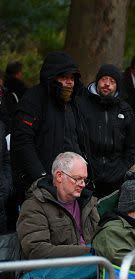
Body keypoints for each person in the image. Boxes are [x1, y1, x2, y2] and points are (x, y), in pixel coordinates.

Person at [11, 52, 88, 202]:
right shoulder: (33, 100)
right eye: (64, 77)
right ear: (51, 77)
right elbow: (23, 141)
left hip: (72, 184)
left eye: (72, 78)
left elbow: (79, 140)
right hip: (41, 187)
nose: (69, 82)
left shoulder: (73, 104)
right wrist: (41, 177)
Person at [16, 152, 98, 259]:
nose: (82, 184)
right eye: (77, 179)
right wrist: (90, 251)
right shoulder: (34, 206)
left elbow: (101, 237)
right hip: (52, 273)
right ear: (59, 176)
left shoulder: (88, 202)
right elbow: (37, 250)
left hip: (92, 267)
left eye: (84, 180)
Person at [80, 64, 135, 198]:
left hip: (116, 177)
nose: (107, 84)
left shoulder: (125, 110)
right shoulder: (82, 105)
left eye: (112, 81)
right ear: (97, 81)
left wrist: (123, 169)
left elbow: (132, 145)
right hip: (87, 176)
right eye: (104, 79)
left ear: (117, 85)